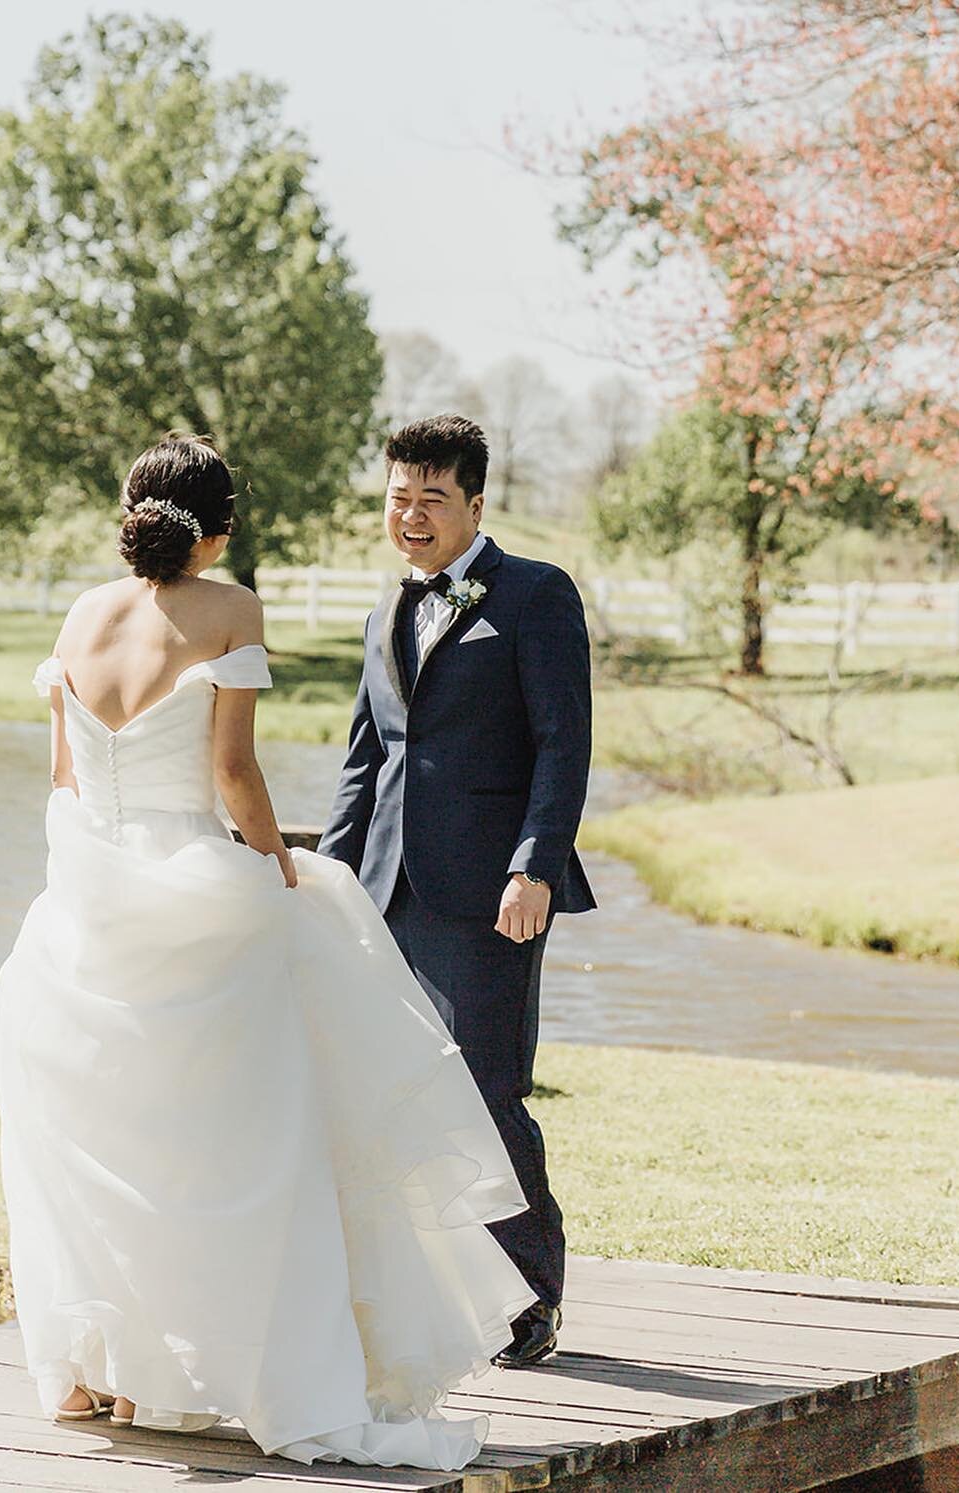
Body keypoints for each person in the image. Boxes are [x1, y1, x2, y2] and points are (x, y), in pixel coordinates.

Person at [0, 433, 537, 1471]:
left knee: (108, 1142)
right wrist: (277, 863)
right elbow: (234, 773)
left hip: (84, 901)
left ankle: (99, 1368)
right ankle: (275, 1365)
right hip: (198, 890)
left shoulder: (80, 614)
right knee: (252, 1137)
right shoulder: (231, 604)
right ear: (223, 521)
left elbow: (62, 774)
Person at [319, 415, 595, 1367]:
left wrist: (536, 866)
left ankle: (531, 1298)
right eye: (400, 496)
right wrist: (330, 880)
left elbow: (564, 742)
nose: (413, 513)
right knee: (393, 1089)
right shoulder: (386, 610)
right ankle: (436, 1292)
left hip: (491, 894)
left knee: (486, 1089)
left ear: (477, 503)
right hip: (384, 892)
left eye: (433, 497)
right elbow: (367, 757)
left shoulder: (534, 595)